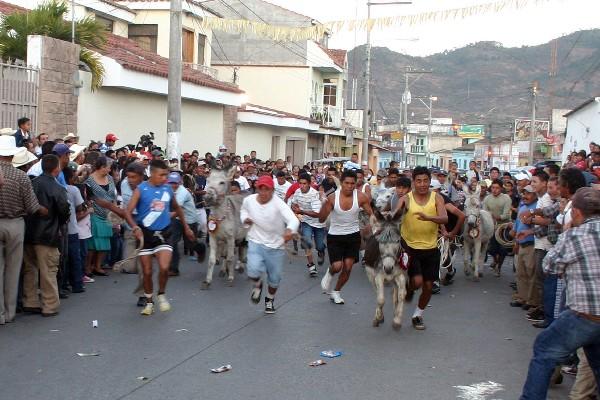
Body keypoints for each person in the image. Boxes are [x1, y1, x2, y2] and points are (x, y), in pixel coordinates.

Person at [520, 188, 600, 400]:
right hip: (589, 318)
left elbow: (549, 266)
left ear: (576, 213)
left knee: (544, 349)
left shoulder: (574, 235)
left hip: (585, 315)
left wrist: (567, 229)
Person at [124, 160, 195, 316]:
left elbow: (177, 209)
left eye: (166, 175)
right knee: (147, 272)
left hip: (164, 234)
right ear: (152, 173)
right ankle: (149, 302)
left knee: (164, 267)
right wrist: (135, 227)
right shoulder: (140, 190)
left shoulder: (168, 189)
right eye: (161, 175)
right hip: (145, 235)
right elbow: (128, 212)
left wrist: (187, 227)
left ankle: (161, 293)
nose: (165, 178)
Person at [393, 166, 448, 330]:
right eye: (419, 181)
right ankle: (409, 289)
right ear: (413, 182)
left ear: (430, 182)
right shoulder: (406, 199)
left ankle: (417, 315)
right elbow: (395, 217)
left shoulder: (437, 198)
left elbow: (444, 218)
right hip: (409, 247)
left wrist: (429, 217)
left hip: (431, 248)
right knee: (417, 281)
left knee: (428, 287)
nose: (422, 184)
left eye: (425, 181)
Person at [241, 176, 299, 314]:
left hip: (276, 246)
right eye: (261, 189)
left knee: (274, 278)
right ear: (257, 189)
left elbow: (293, 219)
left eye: (267, 189)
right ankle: (258, 284)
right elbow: (243, 211)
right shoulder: (249, 200)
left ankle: (270, 299)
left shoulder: (278, 204)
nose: (263, 192)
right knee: (253, 270)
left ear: (272, 190)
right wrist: (245, 219)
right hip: (256, 241)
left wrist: (290, 230)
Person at [0, 135, 42, 325]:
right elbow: (33, 207)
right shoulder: (21, 176)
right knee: (13, 269)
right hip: (15, 223)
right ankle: (9, 312)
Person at [22, 155, 70, 318]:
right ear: (56, 168)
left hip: (29, 232)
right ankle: (49, 305)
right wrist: (59, 224)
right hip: (47, 233)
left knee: (30, 268)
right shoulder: (57, 188)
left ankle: (30, 301)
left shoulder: (32, 184)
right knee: (48, 270)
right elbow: (64, 210)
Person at [318, 170, 374, 304]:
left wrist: (374, 225)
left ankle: (336, 292)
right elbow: (321, 220)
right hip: (335, 236)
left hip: (353, 235)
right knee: (337, 266)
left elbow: (372, 214)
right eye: (346, 183)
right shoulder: (332, 198)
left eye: (352, 183)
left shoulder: (361, 197)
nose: (349, 186)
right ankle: (330, 273)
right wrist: (323, 205)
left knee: (348, 267)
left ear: (356, 184)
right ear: (341, 183)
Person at [84, 156, 121, 277]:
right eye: (108, 167)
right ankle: (88, 267)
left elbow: (114, 197)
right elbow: (87, 198)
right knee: (93, 244)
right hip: (95, 213)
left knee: (105, 242)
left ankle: (98, 266)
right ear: (102, 167)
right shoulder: (89, 180)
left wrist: (116, 217)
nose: (110, 170)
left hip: (108, 213)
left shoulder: (110, 178)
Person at [119, 162, 146, 306]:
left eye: (133, 177)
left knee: (143, 265)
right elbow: (127, 209)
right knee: (129, 266)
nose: (130, 180)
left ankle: (144, 294)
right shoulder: (124, 184)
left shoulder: (148, 187)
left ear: (141, 177)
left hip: (145, 227)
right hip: (130, 225)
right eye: (128, 177)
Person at [290, 173, 326, 277]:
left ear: (309, 184)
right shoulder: (297, 192)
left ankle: (321, 251)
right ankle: (311, 266)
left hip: (318, 223)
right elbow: (293, 203)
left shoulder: (314, 195)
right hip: (306, 222)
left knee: (319, 245)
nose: (302, 186)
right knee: (307, 242)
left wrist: (301, 211)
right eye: (300, 183)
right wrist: (294, 208)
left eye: (304, 183)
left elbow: (317, 213)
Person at [432, 180, 465, 288]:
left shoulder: (444, 202)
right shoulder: (426, 199)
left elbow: (461, 216)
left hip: (451, 227)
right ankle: (450, 272)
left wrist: (453, 233)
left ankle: (435, 281)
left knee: (441, 253)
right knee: (436, 253)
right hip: (438, 227)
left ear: (437, 190)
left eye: (431, 190)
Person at [510, 185, 537, 309]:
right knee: (520, 273)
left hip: (531, 244)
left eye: (528, 194)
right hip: (521, 244)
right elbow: (517, 225)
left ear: (534, 195)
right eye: (524, 193)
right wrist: (515, 242)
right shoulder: (523, 207)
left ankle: (531, 301)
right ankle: (522, 297)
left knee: (530, 273)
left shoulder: (537, 208)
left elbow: (538, 227)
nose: (525, 196)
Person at [167, 172, 200, 276]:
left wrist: (163, 217)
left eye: (175, 183)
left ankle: (201, 249)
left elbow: (178, 210)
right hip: (177, 220)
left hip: (189, 220)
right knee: (172, 241)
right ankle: (173, 268)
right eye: (171, 182)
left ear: (180, 182)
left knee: (192, 244)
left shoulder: (182, 192)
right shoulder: (168, 189)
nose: (173, 185)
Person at [63, 167, 86, 294]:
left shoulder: (59, 187)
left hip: (62, 229)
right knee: (75, 257)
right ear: (71, 178)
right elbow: (80, 206)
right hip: (72, 227)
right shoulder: (73, 189)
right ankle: (77, 283)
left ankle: (64, 283)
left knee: (64, 258)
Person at [483, 179, 512, 277]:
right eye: (493, 188)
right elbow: (484, 212)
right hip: (490, 227)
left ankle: (498, 267)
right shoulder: (487, 199)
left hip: (503, 228)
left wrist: (497, 217)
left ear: (501, 188)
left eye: (497, 188)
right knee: (490, 248)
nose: (494, 190)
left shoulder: (506, 198)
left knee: (503, 249)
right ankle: (495, 260)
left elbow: (507, 214)